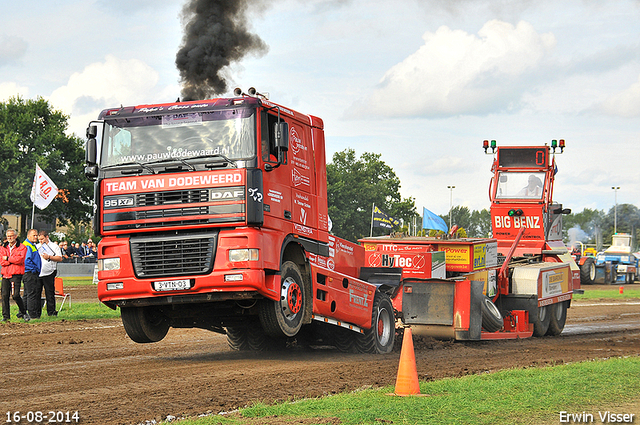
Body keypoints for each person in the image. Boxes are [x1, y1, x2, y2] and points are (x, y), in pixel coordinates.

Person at [0, 229, 28, 322]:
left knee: (15, 295)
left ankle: (23, 312)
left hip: (16, 274)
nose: (10, 238)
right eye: (8, 236)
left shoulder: (22, 247)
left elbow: (20, 260)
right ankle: (6, 316)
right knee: (4, 296)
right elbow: (2, 261)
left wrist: (8, 258)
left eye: (11, 236)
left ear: (15, 236)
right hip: (5, 274)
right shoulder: (3, 247)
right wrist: (11, 260)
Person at [36, 230, 63, 317]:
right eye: (39, 239)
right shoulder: (37, 246)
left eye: (42, 239)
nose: (40, 241)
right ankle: (37, 313)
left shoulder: (54, 246)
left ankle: (51, 312)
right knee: (37, 293)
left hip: (49, 272)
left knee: (49, 293)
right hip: (39, 272)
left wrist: (49, 257)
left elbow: (59, 258)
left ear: (47, 237)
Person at [22, 229, 42, 319]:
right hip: (30, 273)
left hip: (29, 273)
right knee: (32, 294)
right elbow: (26, 261)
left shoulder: (31, 245)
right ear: (28, 236)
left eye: (36, 235)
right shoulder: (27, 245)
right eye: (34, 235)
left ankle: (22, 313)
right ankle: (32, 314)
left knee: (27, 294)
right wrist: (35, 269)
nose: (36, 237)